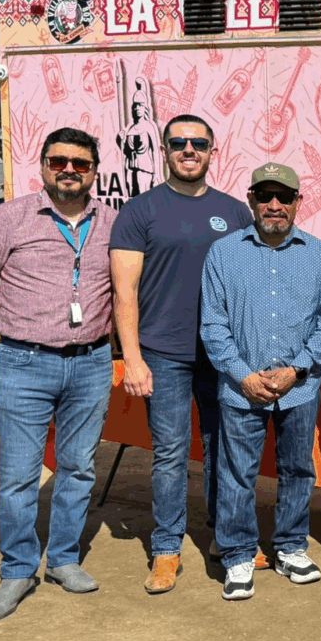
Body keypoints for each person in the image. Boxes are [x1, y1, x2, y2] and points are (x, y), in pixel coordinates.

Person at [0, 129, 118, 622]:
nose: (69, 170)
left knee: (78, 467)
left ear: (94, 172)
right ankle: (17, 570)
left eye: (80, 163)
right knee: (18, 474)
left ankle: (65, 560)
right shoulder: (7, 218)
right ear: (44, 165)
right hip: (23, 363)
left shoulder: (113, 222)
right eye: (59, 161)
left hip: (91, 362)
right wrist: (16, 314)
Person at [110, 114, 254, 594]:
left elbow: (251, 285)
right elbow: (124, 293)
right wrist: (132, 357)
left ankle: (227, 538)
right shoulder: (140, 211)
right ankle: (167, 548)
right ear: (164, 150)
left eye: (198, 143)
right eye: (178, 143)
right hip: (163, 353)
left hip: (223, 355)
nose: (188, 150)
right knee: (170, 454)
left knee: (223, 448)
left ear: (213, 150)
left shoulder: (235, 212)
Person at [200, 163, 321, 602]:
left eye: (283, 197)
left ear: (298, 202)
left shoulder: (320, 255)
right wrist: (243, 375)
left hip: (299, 387)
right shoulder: (223, 253)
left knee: (297, 469)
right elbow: (213, 325)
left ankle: (291, 547)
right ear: (251, 201)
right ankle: (238, 554)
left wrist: (296, 369)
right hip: (240, 387)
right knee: (236, 474)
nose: (274, 205)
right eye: (265, 196)